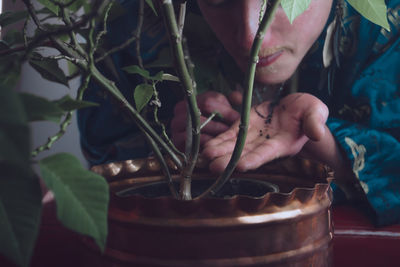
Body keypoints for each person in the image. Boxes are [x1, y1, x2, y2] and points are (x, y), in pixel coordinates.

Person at [78, 0, 400, 226]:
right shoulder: (136, 26)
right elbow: (102, 163)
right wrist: (165, 147)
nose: (249, 37)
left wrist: (320, 143)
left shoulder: (388, 26)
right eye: (218, 1)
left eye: (278, 1)